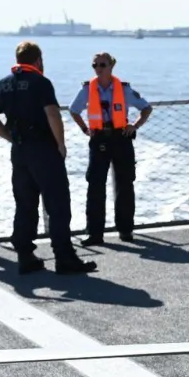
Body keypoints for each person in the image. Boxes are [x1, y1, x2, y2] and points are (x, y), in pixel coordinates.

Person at [0, 42, 96, 275]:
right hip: (43, 148)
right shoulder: (40, 83)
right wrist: (61, 144)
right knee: (57, 204)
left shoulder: (3, 84)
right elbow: (52, 114)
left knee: (25, 204)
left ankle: (25, 255)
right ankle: (64, 257)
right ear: (38, 61)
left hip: (20, 151)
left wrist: (10, 138)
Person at [68, 53, 151, 244]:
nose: (98, 68)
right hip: (98, 140)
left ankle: (126, 230)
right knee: (95, 186)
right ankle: (94, 234)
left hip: (121, 138)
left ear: (111, 66)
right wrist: (84, 129)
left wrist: (135, 126)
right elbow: (74, 110)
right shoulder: (88, 89)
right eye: (94, 65)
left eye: (102, 65)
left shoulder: (124, 89)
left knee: (125, 185)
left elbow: (146, 108)